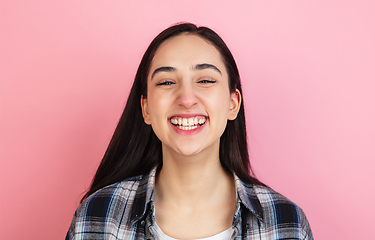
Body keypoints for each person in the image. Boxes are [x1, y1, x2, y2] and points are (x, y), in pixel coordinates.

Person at [66, 22, 313, 240]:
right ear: (146, 108)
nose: (186, 99)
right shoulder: (97, 217)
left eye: (205, 80)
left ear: (233, 103)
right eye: (166, 82)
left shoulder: (285, 223)